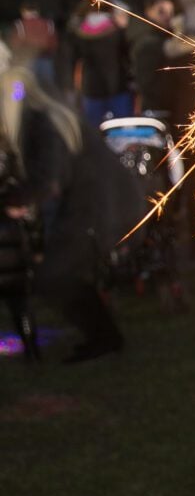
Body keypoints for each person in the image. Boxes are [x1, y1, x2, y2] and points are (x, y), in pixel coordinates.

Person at [0, 44, 138, 363]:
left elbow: (50, 177)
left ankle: (105, 339)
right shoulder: (38, 108)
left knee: (54, 276)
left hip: (99, 207)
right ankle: (104, 335)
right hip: (94, 202)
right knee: (58, 274)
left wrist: (18, 199)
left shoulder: (39, 118)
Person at [65, 0, 133, 126]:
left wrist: (70, 87)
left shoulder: (78, 32)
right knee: (122, 128)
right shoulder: (117, 30)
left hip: (91, 88)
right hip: (118, 86)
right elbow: (129, 56)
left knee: (94, 131)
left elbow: (72, 61)